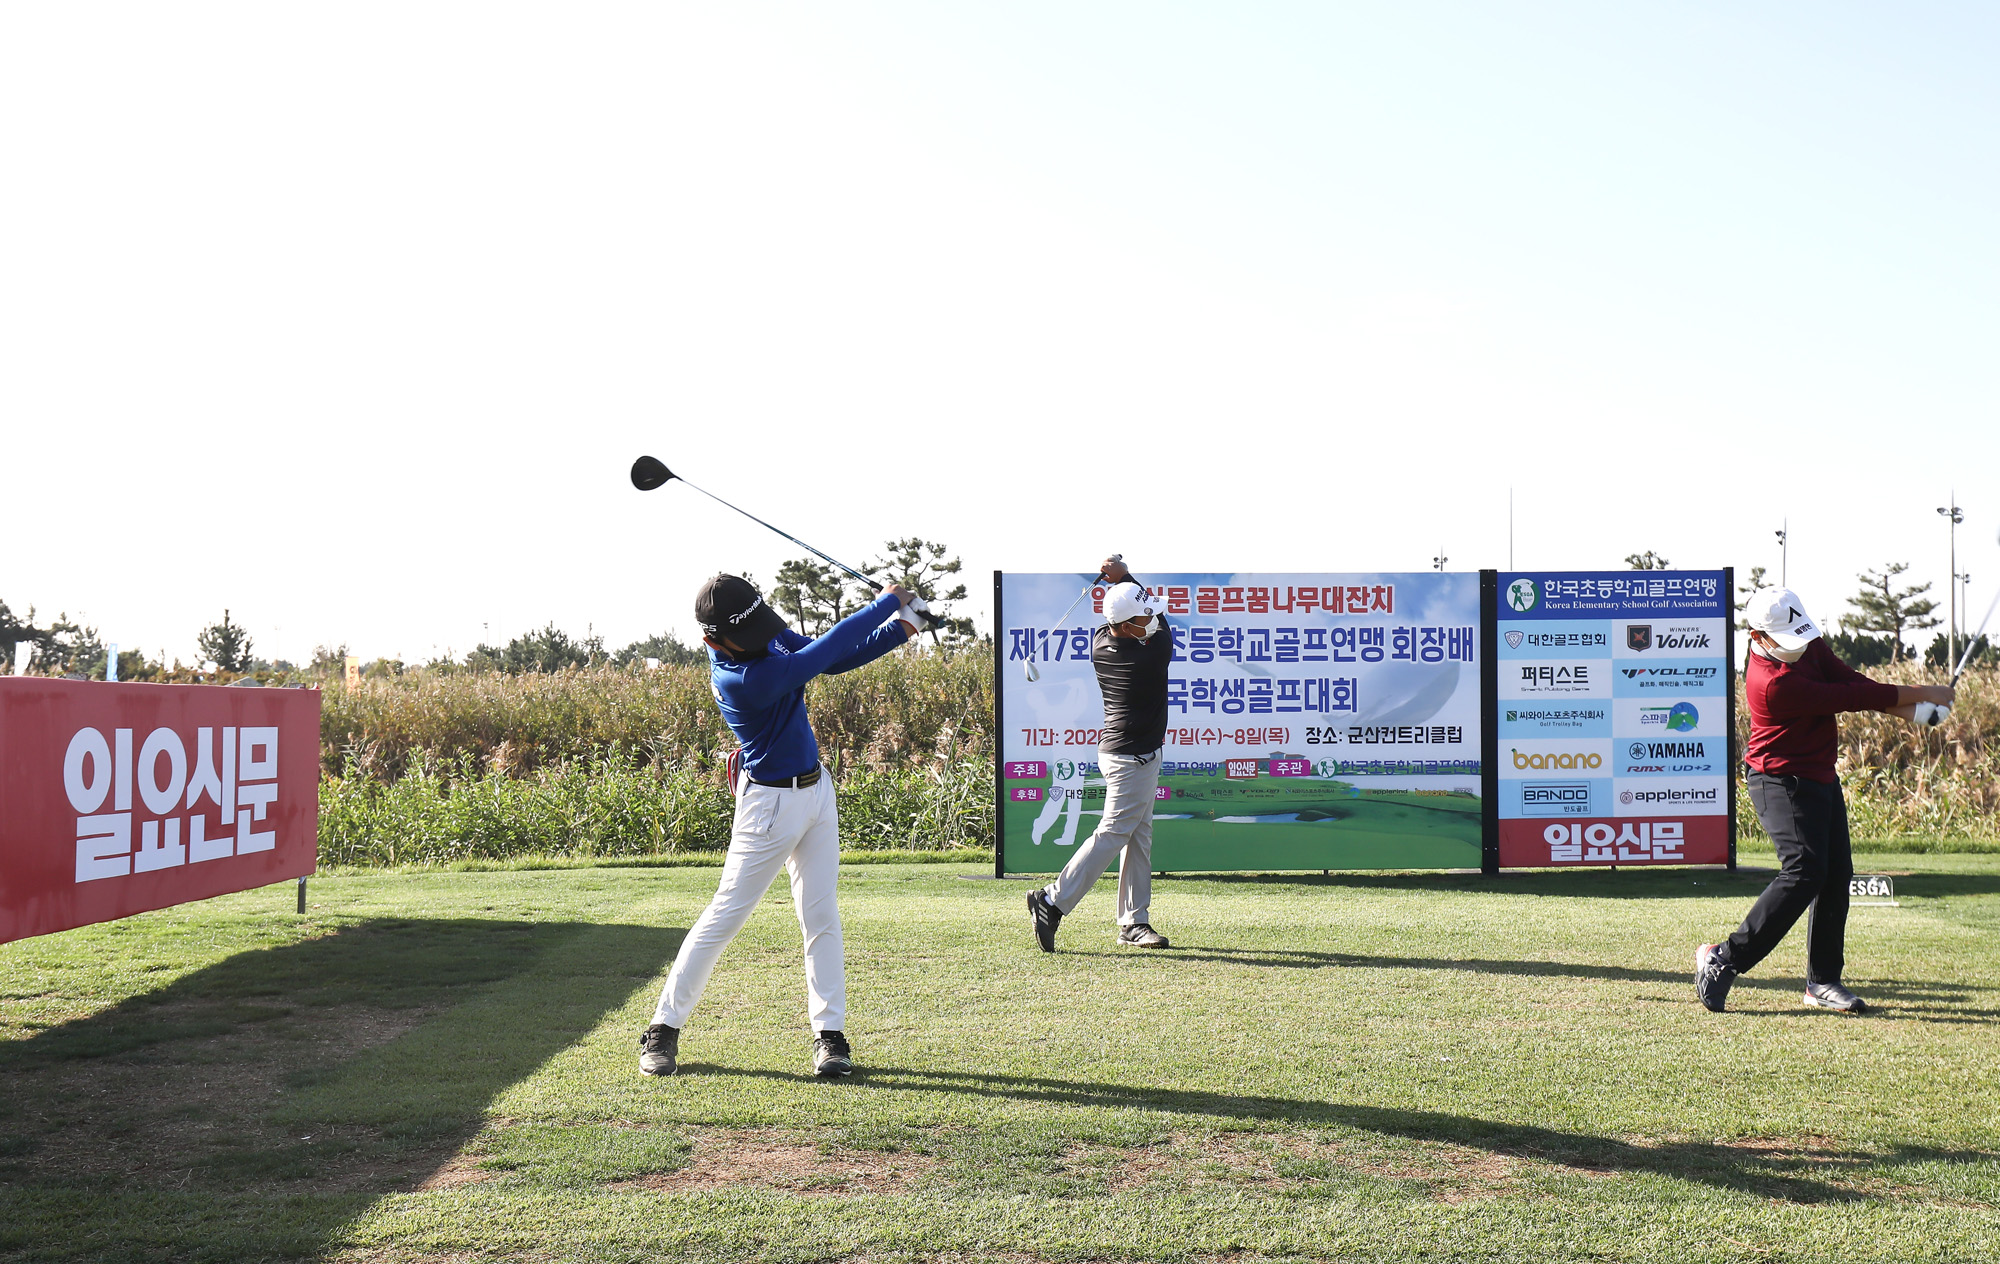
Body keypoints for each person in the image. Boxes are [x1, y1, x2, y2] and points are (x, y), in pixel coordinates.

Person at [639, 573, 920, 1078]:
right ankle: (663, 1027)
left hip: (817, 793)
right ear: (713, 639)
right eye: (746, 635)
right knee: (725, 916)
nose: (762, 638)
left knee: (821, 916)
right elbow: (815, 658)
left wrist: (902, 629)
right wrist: (886, 604)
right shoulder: (739, 678)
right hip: (768, 807)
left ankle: (830, 1038)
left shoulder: (757, 634)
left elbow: (832, 659)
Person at [1695, 587, 1953, 1014]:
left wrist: (1913, 708)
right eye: (1789, 642)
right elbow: (1847, 699)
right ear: (1758, 637)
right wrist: (1924, 693)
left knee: (1836, 874)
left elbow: (1849, 681)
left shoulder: (1806, 643)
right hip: (1777, 779)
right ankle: (1723, 959)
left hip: (1818, 775)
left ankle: (1823, 982)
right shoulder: (1772, 685)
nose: (1800, 647)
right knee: (1805, 871)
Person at [1027, 557, 1175, 951]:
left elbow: (1130, 610)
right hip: (1132, 758)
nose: (1153, 621)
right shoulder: (1152, 652)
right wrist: (1124, 575)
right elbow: (1162, 628)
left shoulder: (1101, 641)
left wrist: (1123, 584)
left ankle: (1133, 922)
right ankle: (1052, 900)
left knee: (1138, 837)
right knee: (1113, 833)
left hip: (1126, 754)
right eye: (1144, 617)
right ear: (1126, 627)